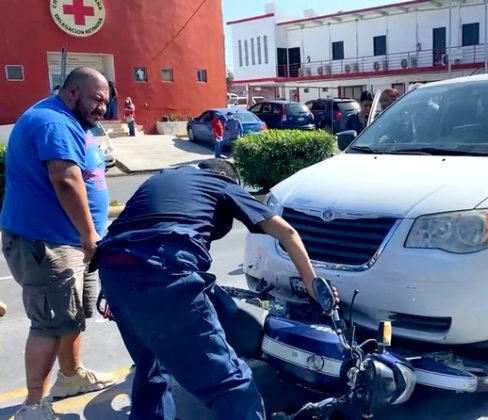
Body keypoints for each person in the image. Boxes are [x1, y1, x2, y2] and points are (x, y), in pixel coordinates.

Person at [90, 159, 332, 420]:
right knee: (233, 386)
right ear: (228, 177)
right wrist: (312, 284)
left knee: (151, 365)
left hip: (113, 270)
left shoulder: (162, 178)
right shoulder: (221, 183)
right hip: (164, 270)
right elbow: (286, 232)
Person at [0, 66, 119, 420]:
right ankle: (33, 406)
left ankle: (70, 377)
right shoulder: (53, 122)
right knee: (50, 325)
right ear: (72, 92)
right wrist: (89, 235)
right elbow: (65, 180)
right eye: (97, 99)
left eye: (106, 102)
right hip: (47, 244)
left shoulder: (73, 122)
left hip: (72, 242)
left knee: (72, 317)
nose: (102, 108)